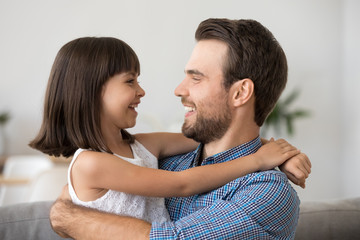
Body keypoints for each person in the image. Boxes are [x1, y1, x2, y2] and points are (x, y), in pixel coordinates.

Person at [50, 18, 311, 239]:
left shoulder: (268, 193)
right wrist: (273, 152)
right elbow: (79, 192)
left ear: (240, 92)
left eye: (196, 78)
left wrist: (68, 216)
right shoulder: (166, 162)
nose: (178, 90)